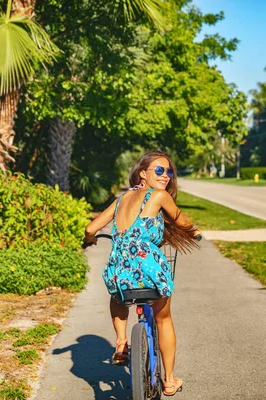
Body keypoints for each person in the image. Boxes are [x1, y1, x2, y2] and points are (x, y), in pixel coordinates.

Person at [83, 150, 200, 396]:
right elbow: (181, 221)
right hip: (148, 268)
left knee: (117, 297)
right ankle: (169, 380)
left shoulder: (121, 200)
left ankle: (121, 341)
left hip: (120, 269)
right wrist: (195, 232)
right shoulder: (158, 196)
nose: (166, 175)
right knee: (163, 317)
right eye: (159, 170)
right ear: (142, 173)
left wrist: (89, 240)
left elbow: (91, 227)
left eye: (169, 171)